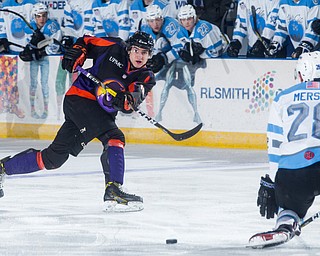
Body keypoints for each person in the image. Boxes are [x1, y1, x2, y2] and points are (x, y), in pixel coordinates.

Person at [0, 31, 156, 212]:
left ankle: (3, 168)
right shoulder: (114, 46)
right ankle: (114, 188)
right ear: (129, 49)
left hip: (99, 114)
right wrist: (78, 52)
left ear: (149, 55)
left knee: (53, 159)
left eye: (145, 52)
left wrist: (125, 101)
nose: (140, 56)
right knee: (114, 137)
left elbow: (131, 103)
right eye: (137, 50)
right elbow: (86, 41)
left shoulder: (145, 77)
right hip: (80, 98)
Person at [251, 51, 320, 247]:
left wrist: (275, 182)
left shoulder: (284, 97)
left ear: (301, 74)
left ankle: (285, 224)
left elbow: (274, 144)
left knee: (289, 208)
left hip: (294, 171)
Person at [19, 3, 62, 119]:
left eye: (44, 15)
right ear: (34, 16)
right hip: (34, 60)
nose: (41, 19)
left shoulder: (52, 26)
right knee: (32, 84)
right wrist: (32, 50)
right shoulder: (29, 26)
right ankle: (32, 109)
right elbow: (26, 45)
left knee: (44, 84)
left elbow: (56, 45)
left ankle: (46, 110)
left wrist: (42, 52)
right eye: (38, 16)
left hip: (47, 60)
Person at [140, 4, 181, 118]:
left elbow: (181, 48)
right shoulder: (145, 28)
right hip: (160, 60)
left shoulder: (170, 25)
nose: (155, 24)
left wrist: (164, 58)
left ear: (162, 18)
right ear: (148, 21)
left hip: (176, 63)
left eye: (158, 20)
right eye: (152, 21)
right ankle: (148, 110)